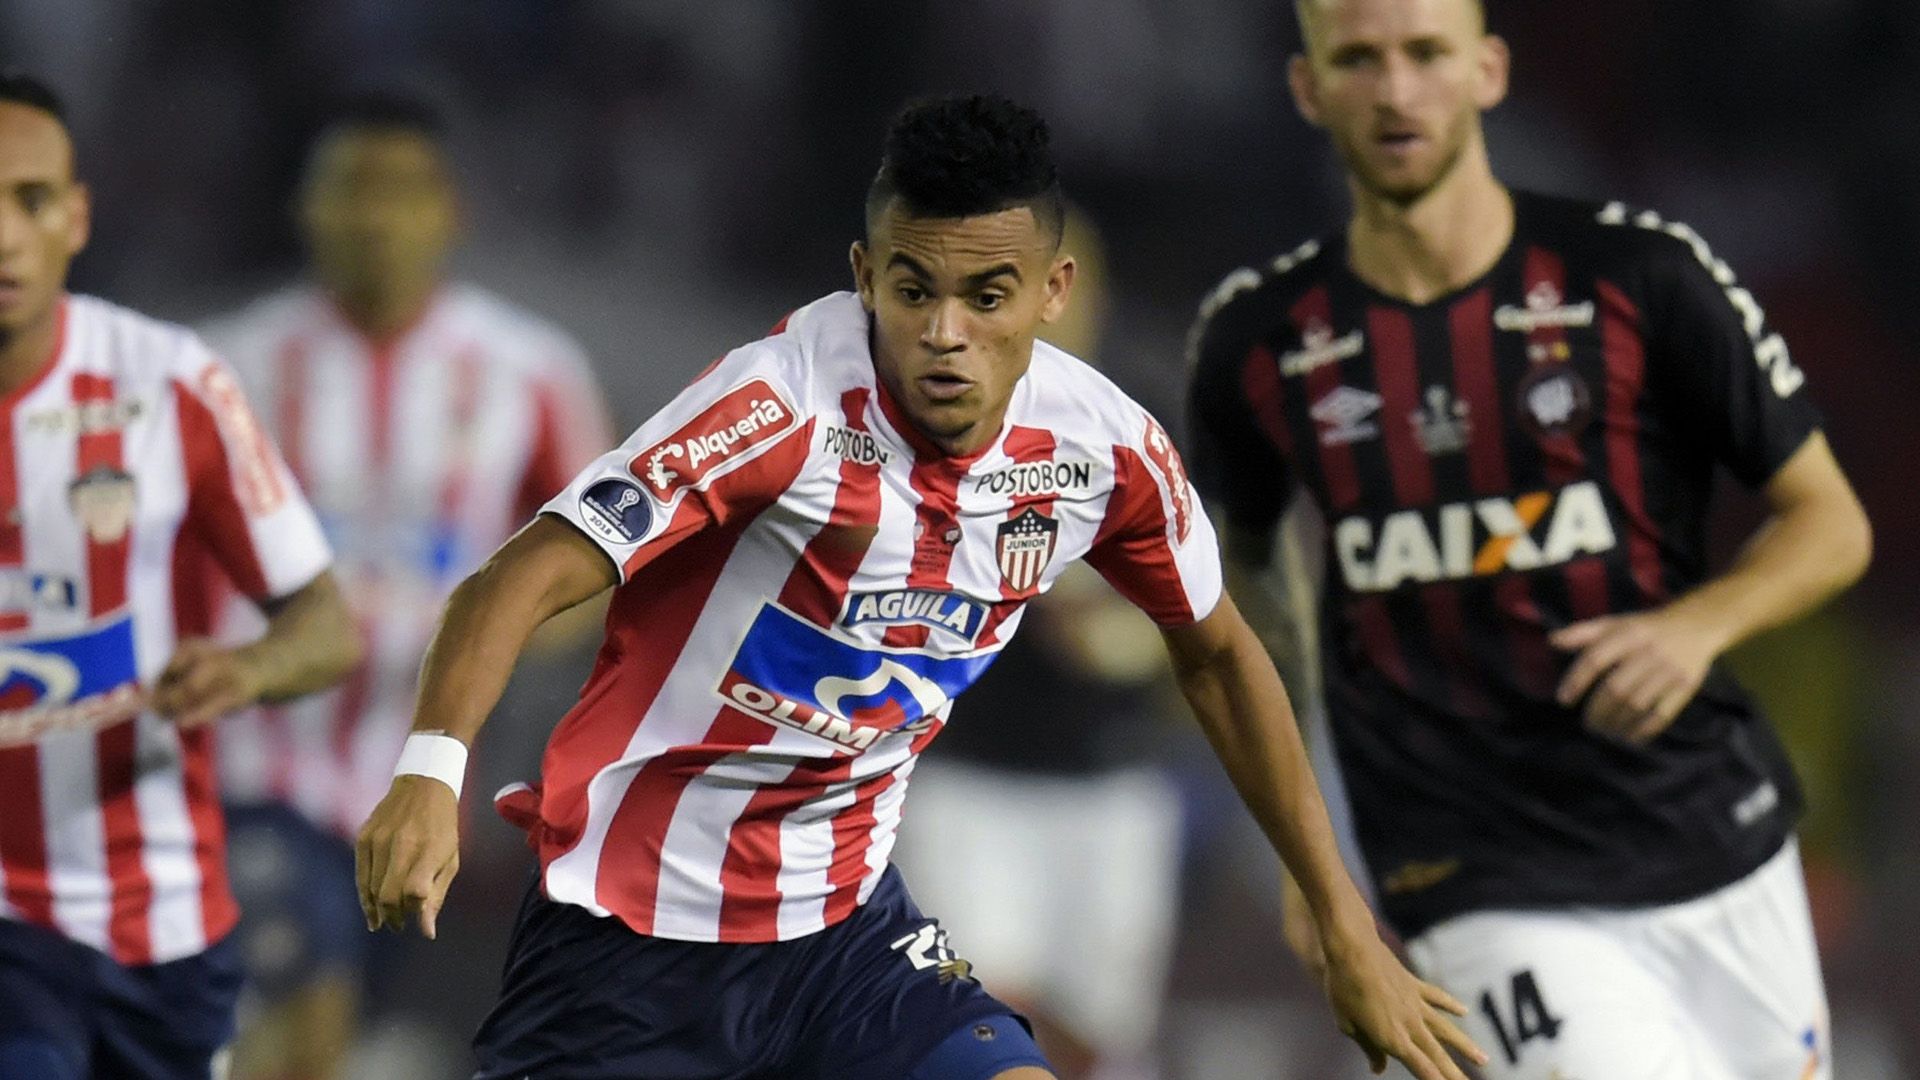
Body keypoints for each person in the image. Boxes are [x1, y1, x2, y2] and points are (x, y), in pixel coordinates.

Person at [355, 94, 1485, 1080]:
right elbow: (521, 573)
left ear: (1055, 290)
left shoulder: (1105, 451)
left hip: (845, 934)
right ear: (865, 277)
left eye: (987, 297)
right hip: (631, 936)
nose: (946, 336)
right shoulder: (777, 406)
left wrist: (1342, 923)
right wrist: (428, 770)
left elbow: (1222, 654)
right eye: (914, 290)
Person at [1185, 2, 1874, 1077]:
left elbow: (1832, 521)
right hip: (1475, 875)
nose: (1397, 90)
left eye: (1426, 55)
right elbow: (1249, 617)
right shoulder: (1256, 343)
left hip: (1713, 840)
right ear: (1308, 88)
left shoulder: (1643, 276)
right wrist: (1307, 864)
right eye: (1359, 60)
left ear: (1490, 71)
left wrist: (1697, 627)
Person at [199, 91, 611, 1080]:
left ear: (451, 210)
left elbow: (601, 568)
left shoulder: (530, 371)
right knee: (307, 1033)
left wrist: (495, 643)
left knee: (328, 1040)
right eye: (350, 189)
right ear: (306, 205)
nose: (375, 216)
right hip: (253, 774)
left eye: (401, 190)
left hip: (419, 791)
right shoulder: (227, 366)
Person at [0, 72, 358, 1080]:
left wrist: (245, 673)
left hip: (161, 921)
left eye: (28, 201)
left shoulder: (167, 381)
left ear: (74, 218)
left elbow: (326, 625)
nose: (3, 236)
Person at [890, 208, 1188, 1080]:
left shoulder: (1144, 414)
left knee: (1101, 1045)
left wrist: (1122, 636)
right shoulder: (933, 406)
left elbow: (1200, 604)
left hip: (1115, 785)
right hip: (966, 776)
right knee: (973, 1025)